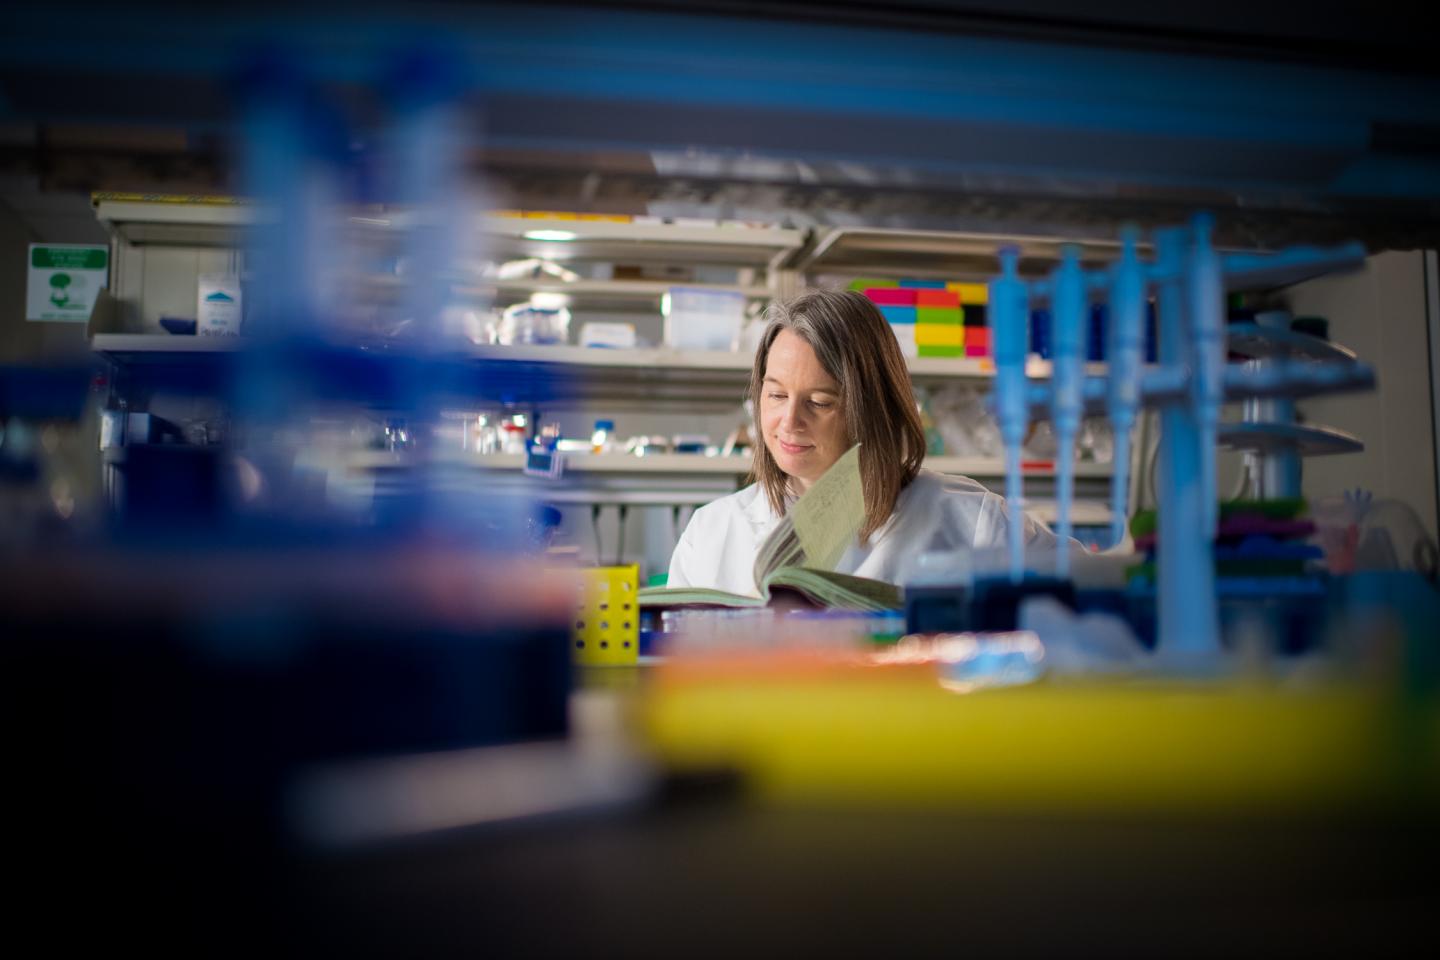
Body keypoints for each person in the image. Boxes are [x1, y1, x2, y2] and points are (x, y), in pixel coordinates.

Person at [666, 289, 1076, 595]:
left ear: (872, 409)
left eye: (820, 401)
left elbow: (1099, 593)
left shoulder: (974, 523)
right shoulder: (712, 532)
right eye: (775, 395)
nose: (789, 421)